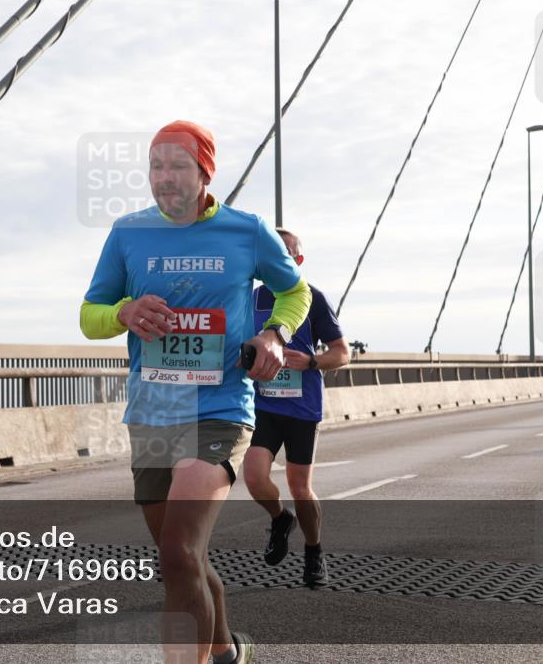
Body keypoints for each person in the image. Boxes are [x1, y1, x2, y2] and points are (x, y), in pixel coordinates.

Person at [80, 120, 311, 664]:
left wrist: (275, 334)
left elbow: (293, 290)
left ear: (206, 173)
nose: (165, 178)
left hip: (221, 408)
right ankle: (227, 648)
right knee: (179, 557)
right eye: (156, 166)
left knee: (181, 550)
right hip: (154, 412)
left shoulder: (247, 230)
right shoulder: (127, 233)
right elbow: (90, 317)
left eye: (178, 166)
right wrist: (124, 311)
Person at [242, 228, 350, 588]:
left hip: (302, 408)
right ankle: (279, 518)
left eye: (290, 253)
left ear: (299, 261)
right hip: (263, 406)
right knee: (255, 477)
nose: (283, 258)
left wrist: (312, 362)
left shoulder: (312, 298)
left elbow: (342, 352)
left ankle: (314, 551)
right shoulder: (250, 300)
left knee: (300, 487)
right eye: (275, 252)